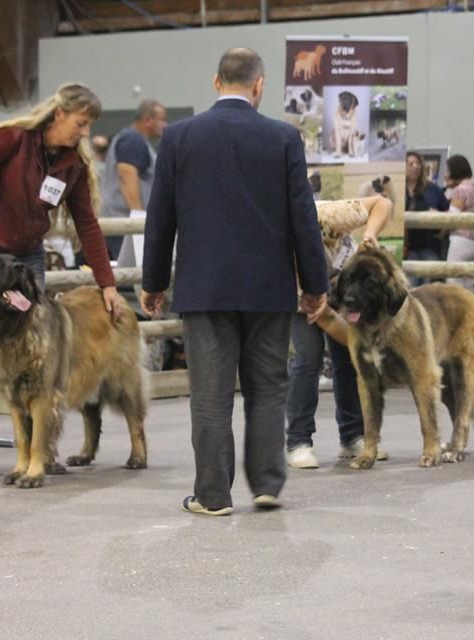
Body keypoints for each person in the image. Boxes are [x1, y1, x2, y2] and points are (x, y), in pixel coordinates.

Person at [141, 47, 328, 516]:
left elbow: (160, 218)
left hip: (204, 289)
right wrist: (314, 284)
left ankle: (213, 496)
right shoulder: (284, 138)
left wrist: (154, 281)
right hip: (269, 289)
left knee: (210, 394)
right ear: (259, 85)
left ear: (216, 81)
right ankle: (266, 485)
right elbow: (303, 218)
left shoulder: (179, 137)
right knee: (267, 388)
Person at [0, 82, 126, 481]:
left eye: (88, 127)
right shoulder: (12, 140)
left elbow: (87, 226)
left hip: (26, 261)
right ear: (59, 114)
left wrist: (108, 284)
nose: (83, 133)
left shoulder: (71, 166)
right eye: (80, 124)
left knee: (42, 353)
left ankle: (41, 451)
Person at [286, 195, 392, 469]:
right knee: (308, 358)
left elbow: (383, 203)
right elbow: (332, 324)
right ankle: (299, 441)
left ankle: (353, 435)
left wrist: (369, 234)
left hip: (346, 284)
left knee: (347, 360)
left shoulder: (332, 215)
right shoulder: (286, 256)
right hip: (303, 296)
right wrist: (363, 344)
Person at [99, 99, 168, 259]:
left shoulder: (135, 140)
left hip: (122, 223)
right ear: (148, 120)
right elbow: (127, 175)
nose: (165, 124)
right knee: (130, 278)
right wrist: (138, 218)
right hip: (124, 225)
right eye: (162, 119)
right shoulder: (133, 140)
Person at [442, 154, 474, 291]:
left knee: (454, 280)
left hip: (461, 240)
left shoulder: (460, 190)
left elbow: (453, 217)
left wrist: (435, 214)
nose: (446, 174)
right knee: (468, 282)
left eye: (448, 170)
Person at [404, 151, 449, 281]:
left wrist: (442, 228)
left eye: (418, 163)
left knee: (428, 287)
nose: (415, 167)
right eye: (411, 164)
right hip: (407, 248)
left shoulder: (433, 189)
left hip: (429, 245)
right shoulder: (398, 189)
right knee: (410, 285)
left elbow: (448, 211)